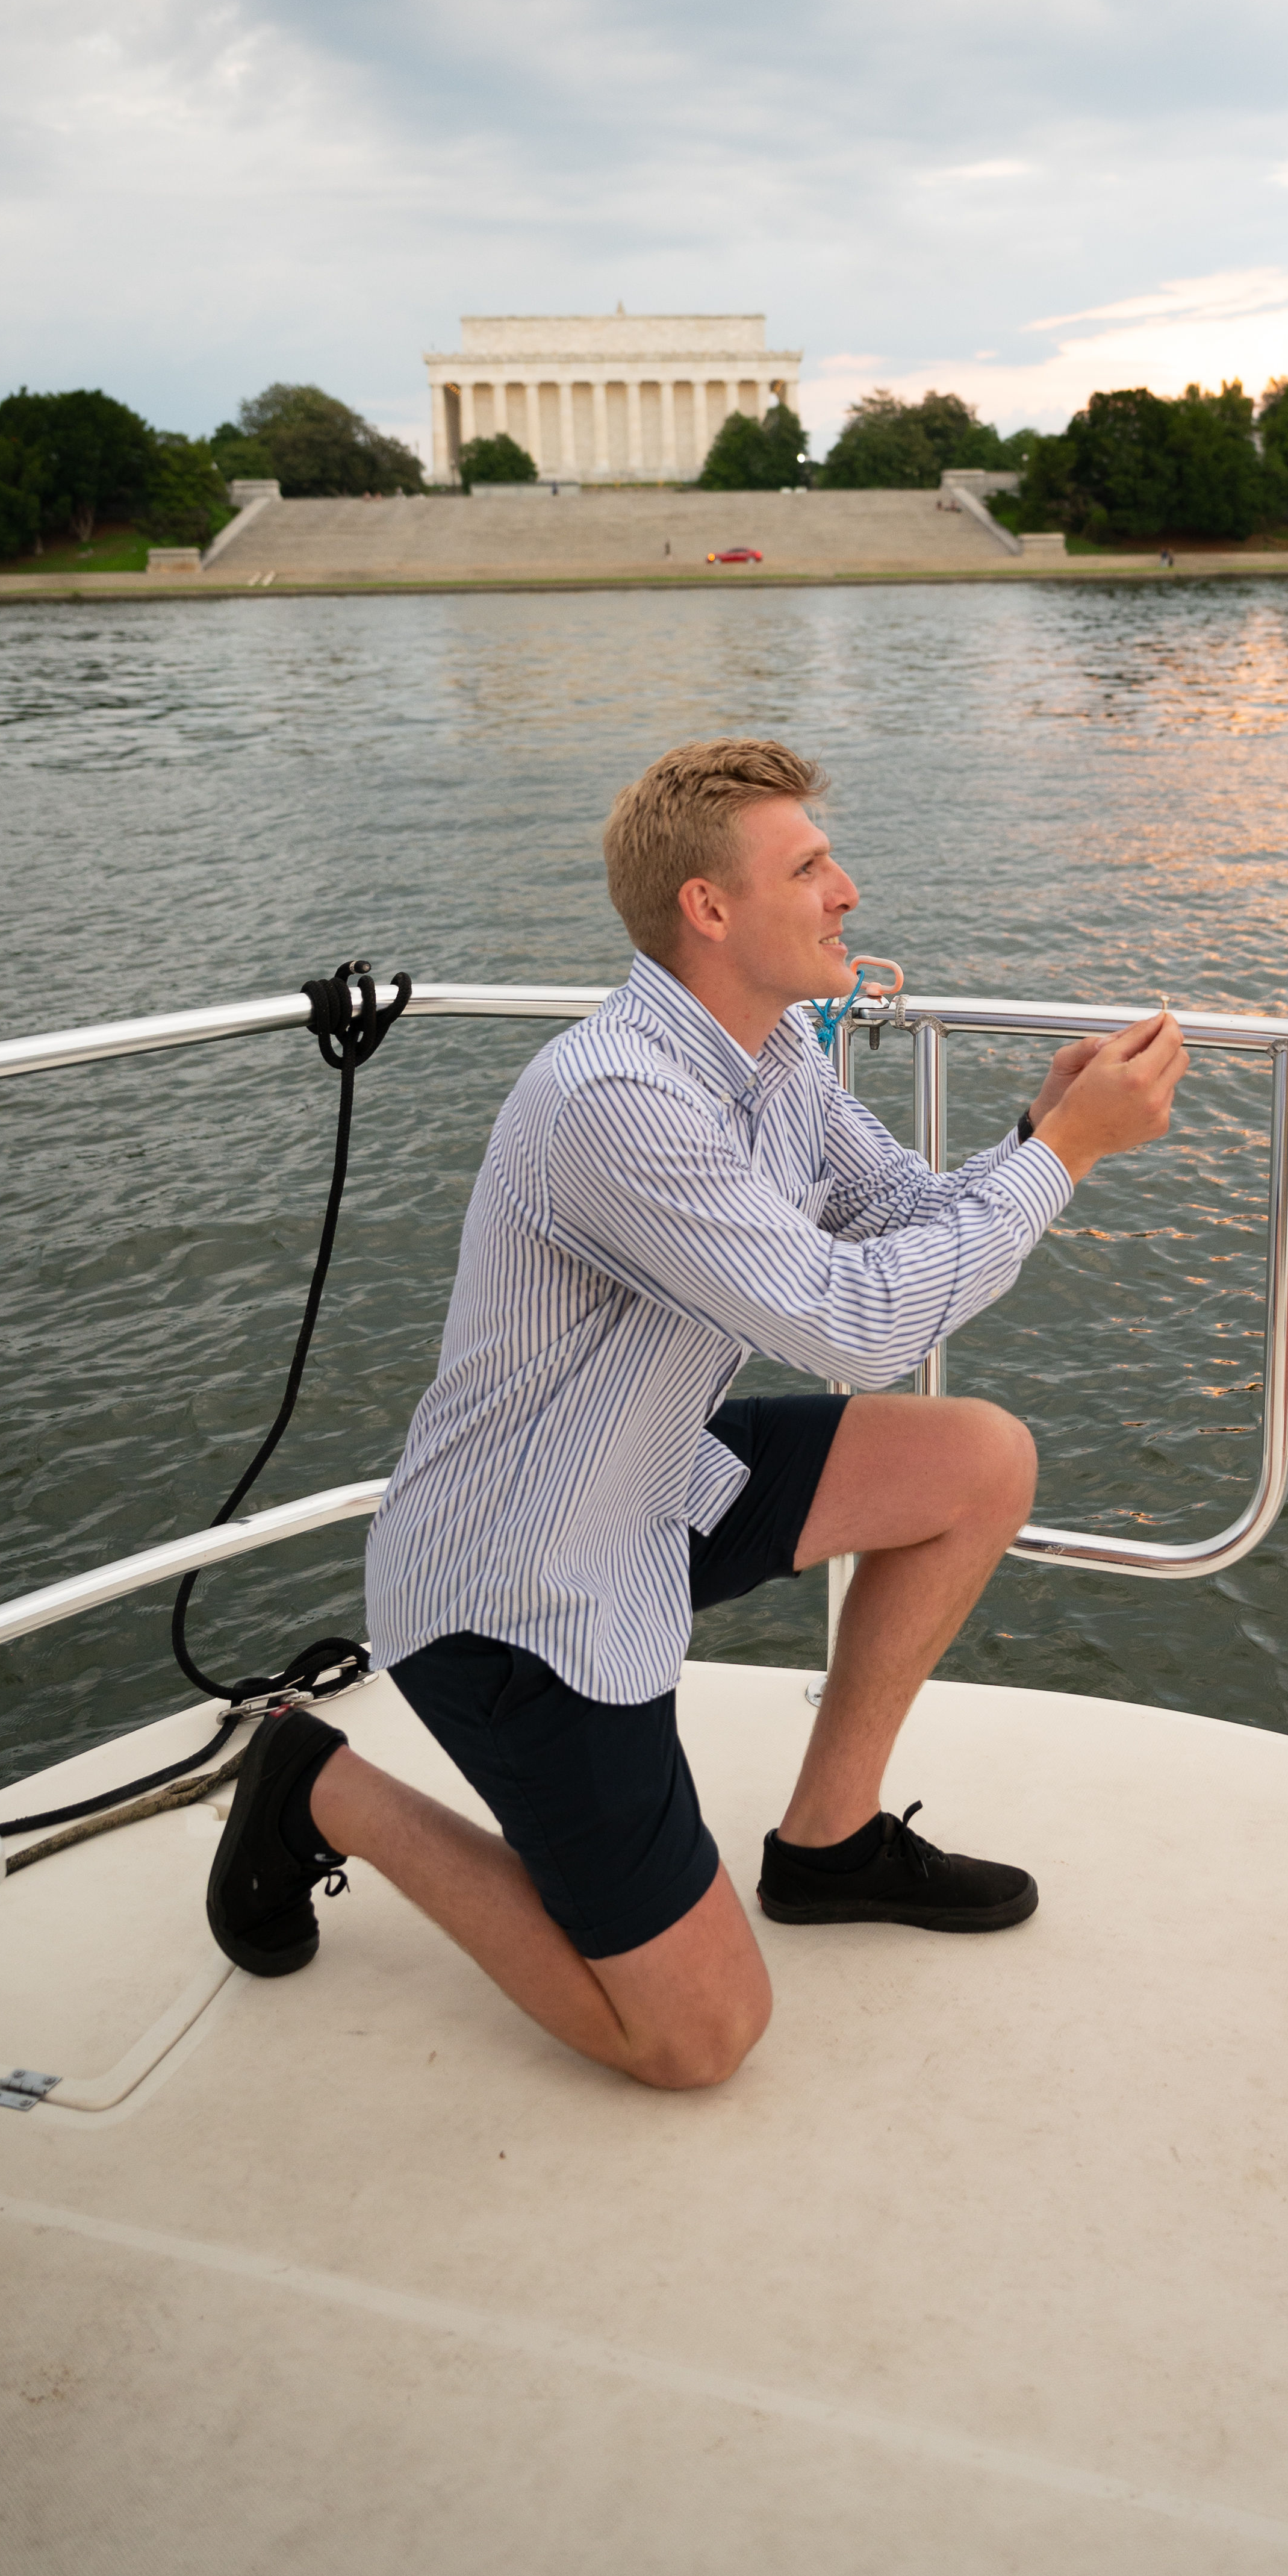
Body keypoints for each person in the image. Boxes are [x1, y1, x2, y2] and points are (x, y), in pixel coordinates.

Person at [205, 734, 1186, 2089]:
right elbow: (855, 1327)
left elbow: (898, 1216)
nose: (847, 890)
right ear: (706, 909)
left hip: (650, 1485)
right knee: (697, 2040)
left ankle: (827, 1845)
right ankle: (319, 1784)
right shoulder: (616, 1103)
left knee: (977, 1462)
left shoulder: (772, 1049)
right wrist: (1073, 1157)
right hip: (516, 1592)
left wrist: (1034, 1131)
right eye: (809, 866)